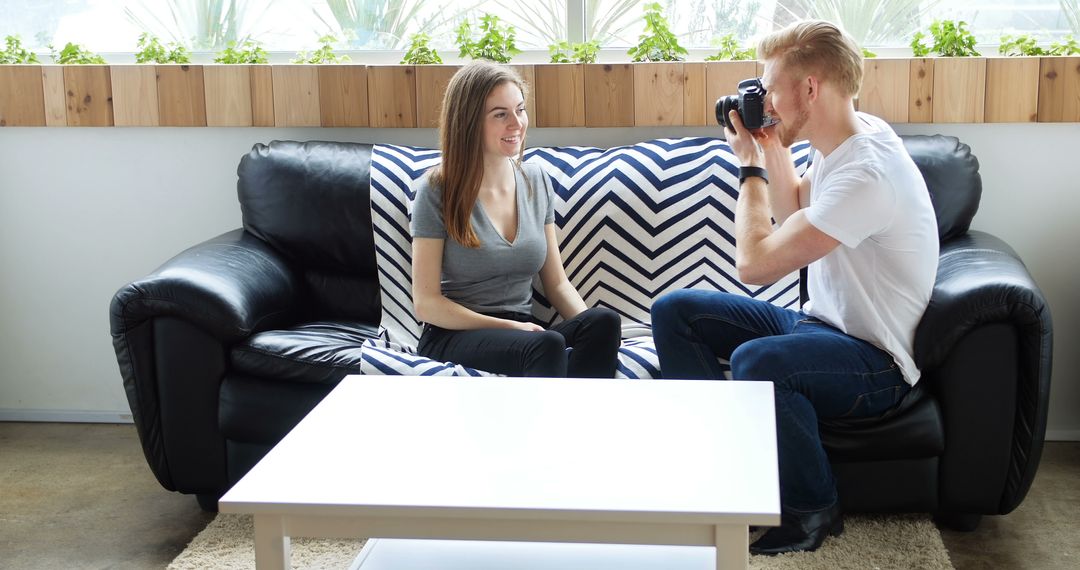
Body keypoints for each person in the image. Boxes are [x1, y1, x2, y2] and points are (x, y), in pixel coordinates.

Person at [651, 20, 939, 555]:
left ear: (810, 88)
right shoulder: (845, 138)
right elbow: (795, 209)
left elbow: (755, 264)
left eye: (771, 86)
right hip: (823, 324)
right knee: (675, 311)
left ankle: (813, 508)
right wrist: (770, 143)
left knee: (760, 361)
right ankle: (725, 472)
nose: (765, 99)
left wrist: (749, 168)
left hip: (875, 360)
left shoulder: (868, 174)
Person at [411, 61, 622, 378]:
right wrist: (509, 326)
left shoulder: (536, 180)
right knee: (546, 345)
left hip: (526, 333)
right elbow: (426, 303)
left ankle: (579, 417)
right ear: (468, 122)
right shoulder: (437, 190)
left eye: (520, 110)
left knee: (605, 321)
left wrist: (587, 329)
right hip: (454, 334)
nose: (517, 124)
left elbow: (557, 283)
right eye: (500, 114)